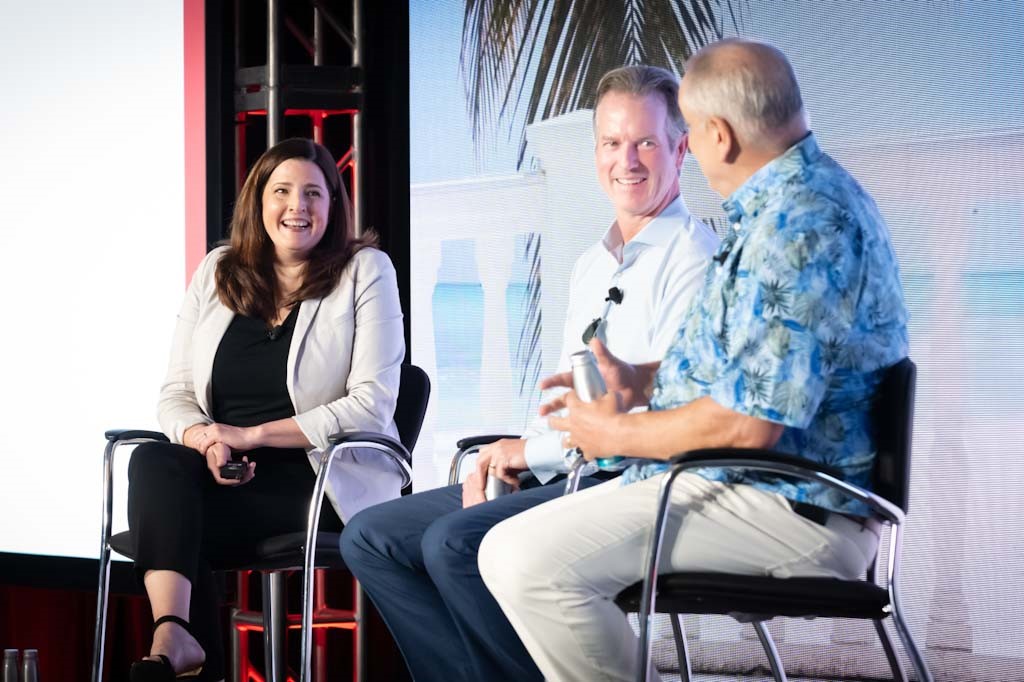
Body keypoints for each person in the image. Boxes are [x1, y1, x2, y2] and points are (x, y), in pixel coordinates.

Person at [478, 38, 910, 682]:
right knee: (510, 549)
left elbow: (749, 425)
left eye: (686, 137)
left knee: (519, 559)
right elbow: (758, 366)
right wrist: (642, 380)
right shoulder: (785, 205)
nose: (687, 153)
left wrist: (613, 432)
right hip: (758, 487)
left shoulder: (803, 222)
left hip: (794, 507)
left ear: (716, 134)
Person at [339, 65, 719, 682]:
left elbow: (649, 411)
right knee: (372, 538)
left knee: (455, 545)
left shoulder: (693, 261)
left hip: (631, 480)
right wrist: (520, 458)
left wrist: (527, 451)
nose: (627, 160)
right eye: (611, 143)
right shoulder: (592, 266)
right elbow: (575, 396)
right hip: (568, 470)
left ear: (680, 148)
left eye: (646, 142)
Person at [125, 138, 405, 681]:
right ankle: (174, 634)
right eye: (282, 191)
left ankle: (180, 653)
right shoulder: (218, 269)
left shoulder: (365, 270)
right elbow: (176, 393)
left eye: (312, 194)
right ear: (258, 201)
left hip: (320, 481)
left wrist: (252, 436)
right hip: (224, 474)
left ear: (333, 205)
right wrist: (207, 441)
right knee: (154, 463)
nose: (296, 207)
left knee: (177, 526)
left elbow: (372, 405)